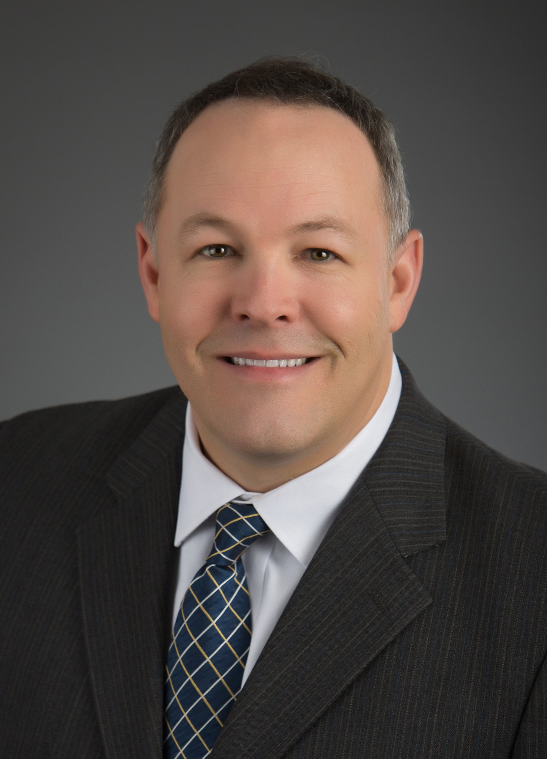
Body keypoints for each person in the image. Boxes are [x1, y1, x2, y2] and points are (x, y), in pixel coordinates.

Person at [0, 56, 545, 759]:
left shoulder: (531, 574)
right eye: (216, 248)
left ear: (398, 281)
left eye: (318, 253)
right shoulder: (16, 480)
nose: (262, 303)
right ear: (153, 272)